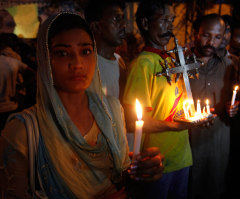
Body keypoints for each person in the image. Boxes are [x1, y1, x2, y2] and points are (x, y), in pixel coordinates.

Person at [0, 13, 164, 199]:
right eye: (62, 53)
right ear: (44, 59)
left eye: (85, 51)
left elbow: (119, 176)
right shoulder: (22, 131)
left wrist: (141, 172)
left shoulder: (111, 111)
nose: (77, 64)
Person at [123, 0, 196, 198]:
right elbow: (132, 122)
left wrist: (197, 117)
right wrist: (175, 126)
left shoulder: (171, 60)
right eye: (163, 20)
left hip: (183, 157)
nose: (170, 27)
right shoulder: (142, 65)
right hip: (156, 162)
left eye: (171, 20)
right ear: (145, 24)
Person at [188, 14, 232, 199]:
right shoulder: (181, 65)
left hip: (218, 143)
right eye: (206, 35)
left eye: (217, 37)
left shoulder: (229, 66)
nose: (211, 42)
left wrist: (233, 107)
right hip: (188, 144)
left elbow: (233, 100)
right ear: (195, 33)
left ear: (223, 38)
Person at [84, 0, 127, 102]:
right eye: (117, 19)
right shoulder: (87, 65)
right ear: (96, 26)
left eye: (122, 19)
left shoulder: (119, 62)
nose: (123, 25)